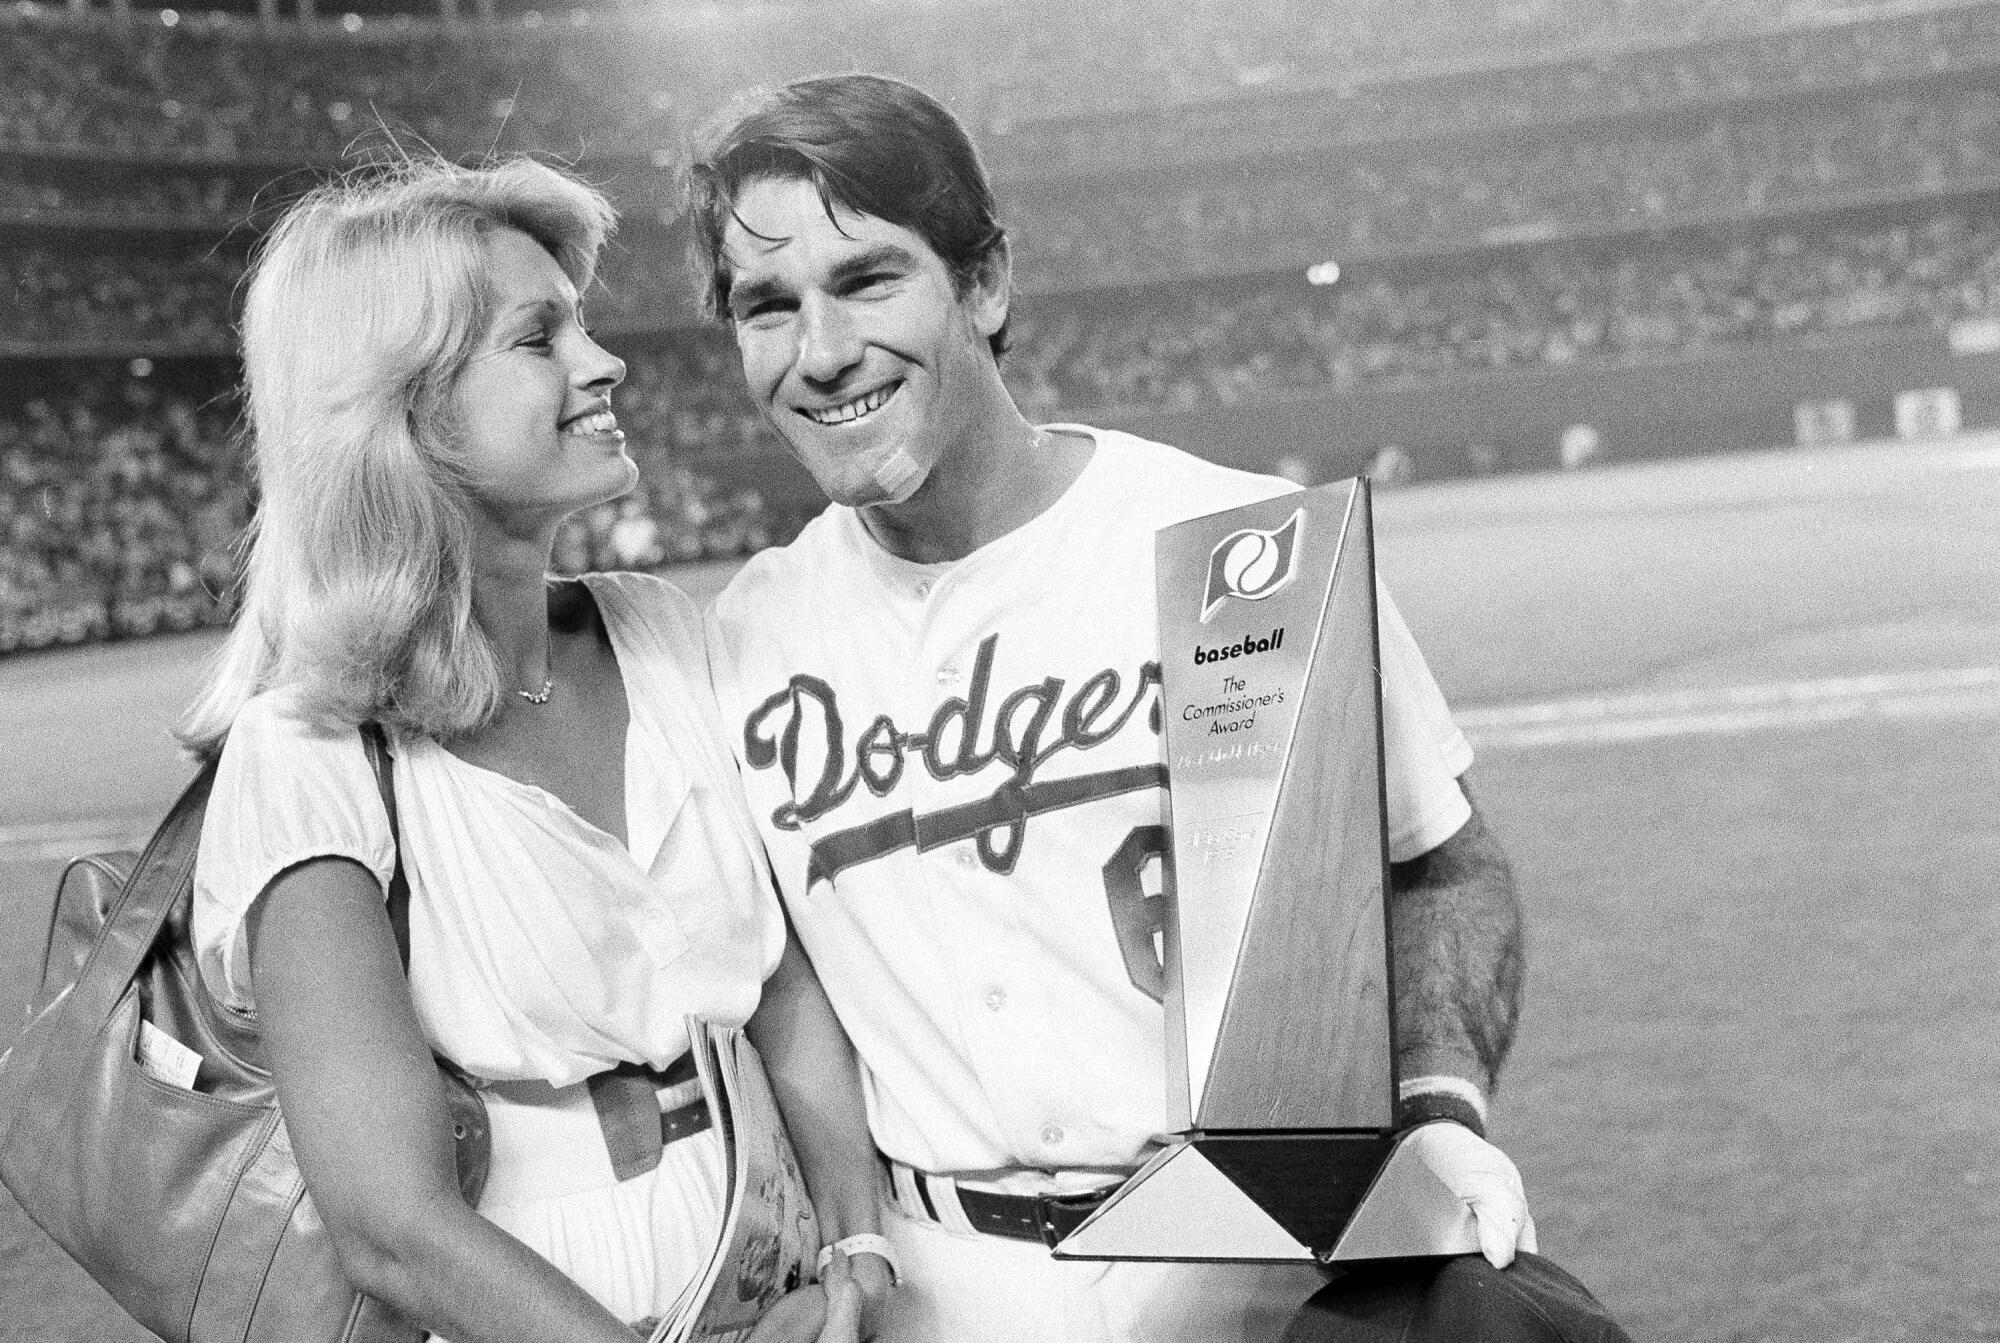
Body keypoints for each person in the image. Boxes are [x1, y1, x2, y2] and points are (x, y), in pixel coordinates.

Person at [689, 75, 1628, 1342]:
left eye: (866, 281)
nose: (819, 350)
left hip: (1253, 1268)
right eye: (767, 305)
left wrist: (1441, 1105)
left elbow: (1441, 866)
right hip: (927, 1287)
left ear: (984, 284)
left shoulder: (1236, 545)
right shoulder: (744, 633)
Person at [176, 157, 890, 1343]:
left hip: (779, 1276)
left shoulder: (663, 629)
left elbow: (781, 985)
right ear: (404, 408)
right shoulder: (307, 745)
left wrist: (854, 1249)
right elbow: (393, 1223)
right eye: (538, 337)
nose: (603, 363)